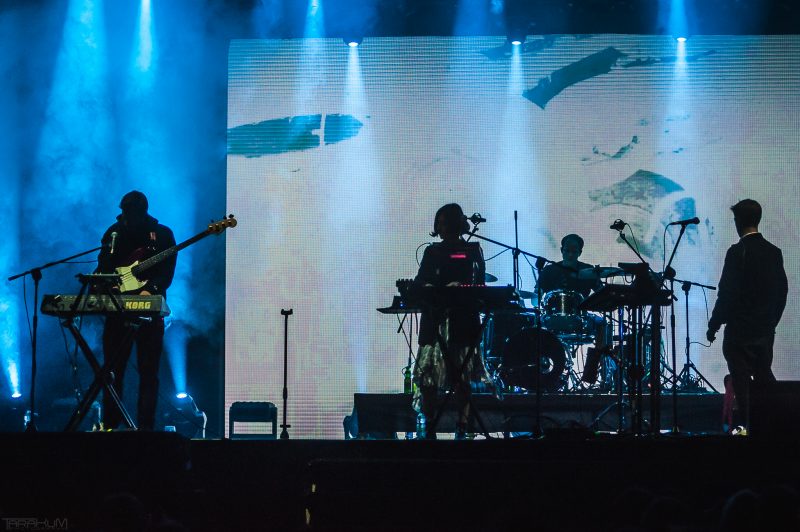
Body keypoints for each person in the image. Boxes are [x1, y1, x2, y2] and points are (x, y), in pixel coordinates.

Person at [96, 190, 177, 430]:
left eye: (130, 212)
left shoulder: (162, 235)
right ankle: (110, 425)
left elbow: (166, 272)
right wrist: (107, 283)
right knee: (112, 371)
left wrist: (151, 289)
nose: (125, 216)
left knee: (148, 372)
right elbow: (103, 265)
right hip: (117, 310)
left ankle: (145, 429)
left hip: (149, 311)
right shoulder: (113, 233)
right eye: (124, 212)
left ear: (142, 212)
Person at [706, 199, 788, 430]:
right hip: (764, 331)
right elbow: (782, 292)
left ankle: (748, 427)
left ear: (738, 221)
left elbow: (727, 294)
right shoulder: (774, 253)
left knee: (741, 384)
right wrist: (771, 322)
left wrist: (713, 325)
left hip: (739, 333)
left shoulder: (736, 252)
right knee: (764, 378)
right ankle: (775, 425)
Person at [413, 203, 488, 439]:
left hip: (463, 318)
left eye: (445, 222)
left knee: (462, 376)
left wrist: (462, 287)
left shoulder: (473, 249)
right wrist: (431, 287)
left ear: (456, 224)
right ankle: (429, 425)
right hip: (435, 318)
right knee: (428, 376)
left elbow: (479, 284)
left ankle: (462, 426)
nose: (441, 227)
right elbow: (420, 281)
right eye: (439, 223)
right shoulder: (432, 251)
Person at [535, 234, 609, 350]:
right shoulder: (549, 270)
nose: (570, 255)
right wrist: (537, 299)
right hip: (551, 317)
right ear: (561, 250)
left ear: (580, 253)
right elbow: (535, 297)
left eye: (574, 252)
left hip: (581, 317)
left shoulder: (588, 270)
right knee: (533, 323)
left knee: (602, 324)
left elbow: (601, 293)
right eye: (567, 251)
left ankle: (596, 360)